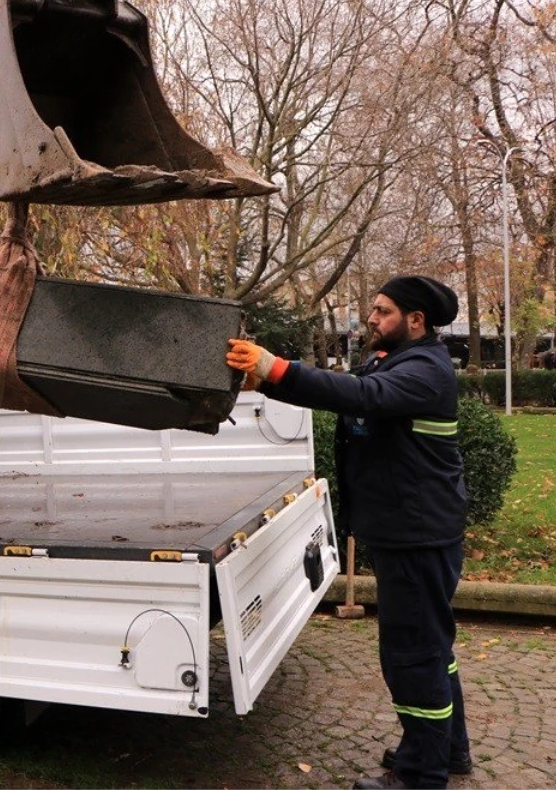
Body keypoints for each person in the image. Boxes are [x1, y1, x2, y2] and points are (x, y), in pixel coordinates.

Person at [226, 276, 469, 790]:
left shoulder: (426, 369)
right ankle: (446, 750)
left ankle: (421, 774)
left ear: (416, 320)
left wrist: (277, 367)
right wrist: (267, 382)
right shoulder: (396, 360)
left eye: (382, 312)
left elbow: (363, 395)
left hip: (417, 534)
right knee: (430, 646)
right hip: (410, 528)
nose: (371, 321)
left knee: (411, 653)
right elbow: (350, 396)